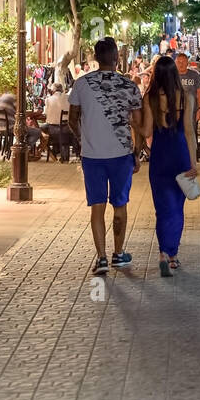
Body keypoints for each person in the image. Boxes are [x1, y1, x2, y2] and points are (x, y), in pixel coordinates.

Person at [69, 37, 142, 276]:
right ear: (116, 58)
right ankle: (118, 254)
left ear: (96, 59)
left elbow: (72, 119)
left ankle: (101, 258)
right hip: (121, 154)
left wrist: (84, 140)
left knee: (97, 207)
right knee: (119, 204)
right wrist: (137, 151)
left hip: (92, 156)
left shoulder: (81, 84)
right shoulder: (129, 85)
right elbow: (138, 122)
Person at [140, 54, 198, 277]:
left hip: (160, 155)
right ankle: (172, 254)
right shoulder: (185, 97)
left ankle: (164, 252)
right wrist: (193, 162)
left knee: (162, 208)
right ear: (174, 74)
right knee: (177, 207)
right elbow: (190, 132)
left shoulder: (150, 98)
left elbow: (146, 132)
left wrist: (134, 122)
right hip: (180, 153)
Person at [175, 51, 200, 162]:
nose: (181, 64)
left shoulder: (194, 75)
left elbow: (199, 94)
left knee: (190, 134)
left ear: (187, 63)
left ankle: (191, 158)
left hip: (191, 111)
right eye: (179, 62)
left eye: (183, 62)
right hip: (176, 111)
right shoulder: (172, 76)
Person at [42, 85, 72, 162]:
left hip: (52, 130)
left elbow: (45, 113)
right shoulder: (68, 97)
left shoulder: (48, 100)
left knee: (41, 129)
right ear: (62, 90)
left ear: (53, 90)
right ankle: (63, 155)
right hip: (66, 129)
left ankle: (49, 150)